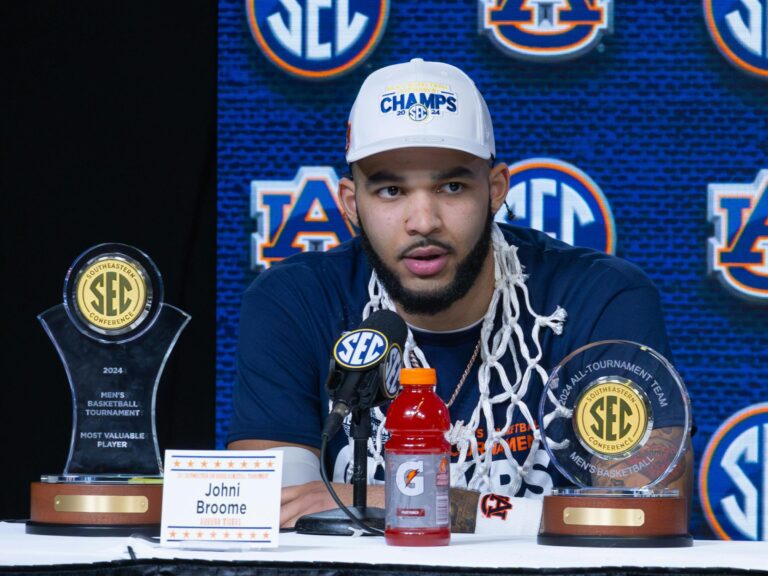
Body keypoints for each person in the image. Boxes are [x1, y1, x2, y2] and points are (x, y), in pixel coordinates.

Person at [228, 58, 691, 533]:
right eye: (390, 190)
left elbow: (641, 514)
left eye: (452, 186)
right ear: (351, 205)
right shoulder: (293, 300)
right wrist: (509, 517)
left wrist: (397, 500)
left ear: (495, 190)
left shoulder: (600, 298)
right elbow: (276, 510)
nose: (423, 221)